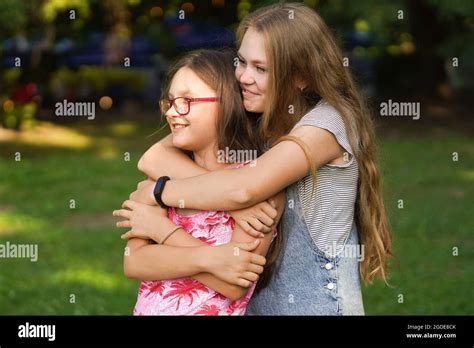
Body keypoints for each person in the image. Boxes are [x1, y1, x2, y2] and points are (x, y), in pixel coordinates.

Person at [132, 3, 393, 315]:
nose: (242, 76)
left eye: (260, 68)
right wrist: (230, 203)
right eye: (241, 62)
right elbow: (155, 155)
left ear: (301, 77)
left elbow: (245, 188)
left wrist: (159, 191)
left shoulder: (328, 124)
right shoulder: (257, 114)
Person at [113, 48, 285, 315]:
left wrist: (162, 231)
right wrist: (214, 257)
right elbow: (134, 262)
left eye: (187, 101)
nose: (172, 113)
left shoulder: (259, 186)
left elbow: (233, 284)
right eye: (170, 102)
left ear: (227, 102)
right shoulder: (160, 178)